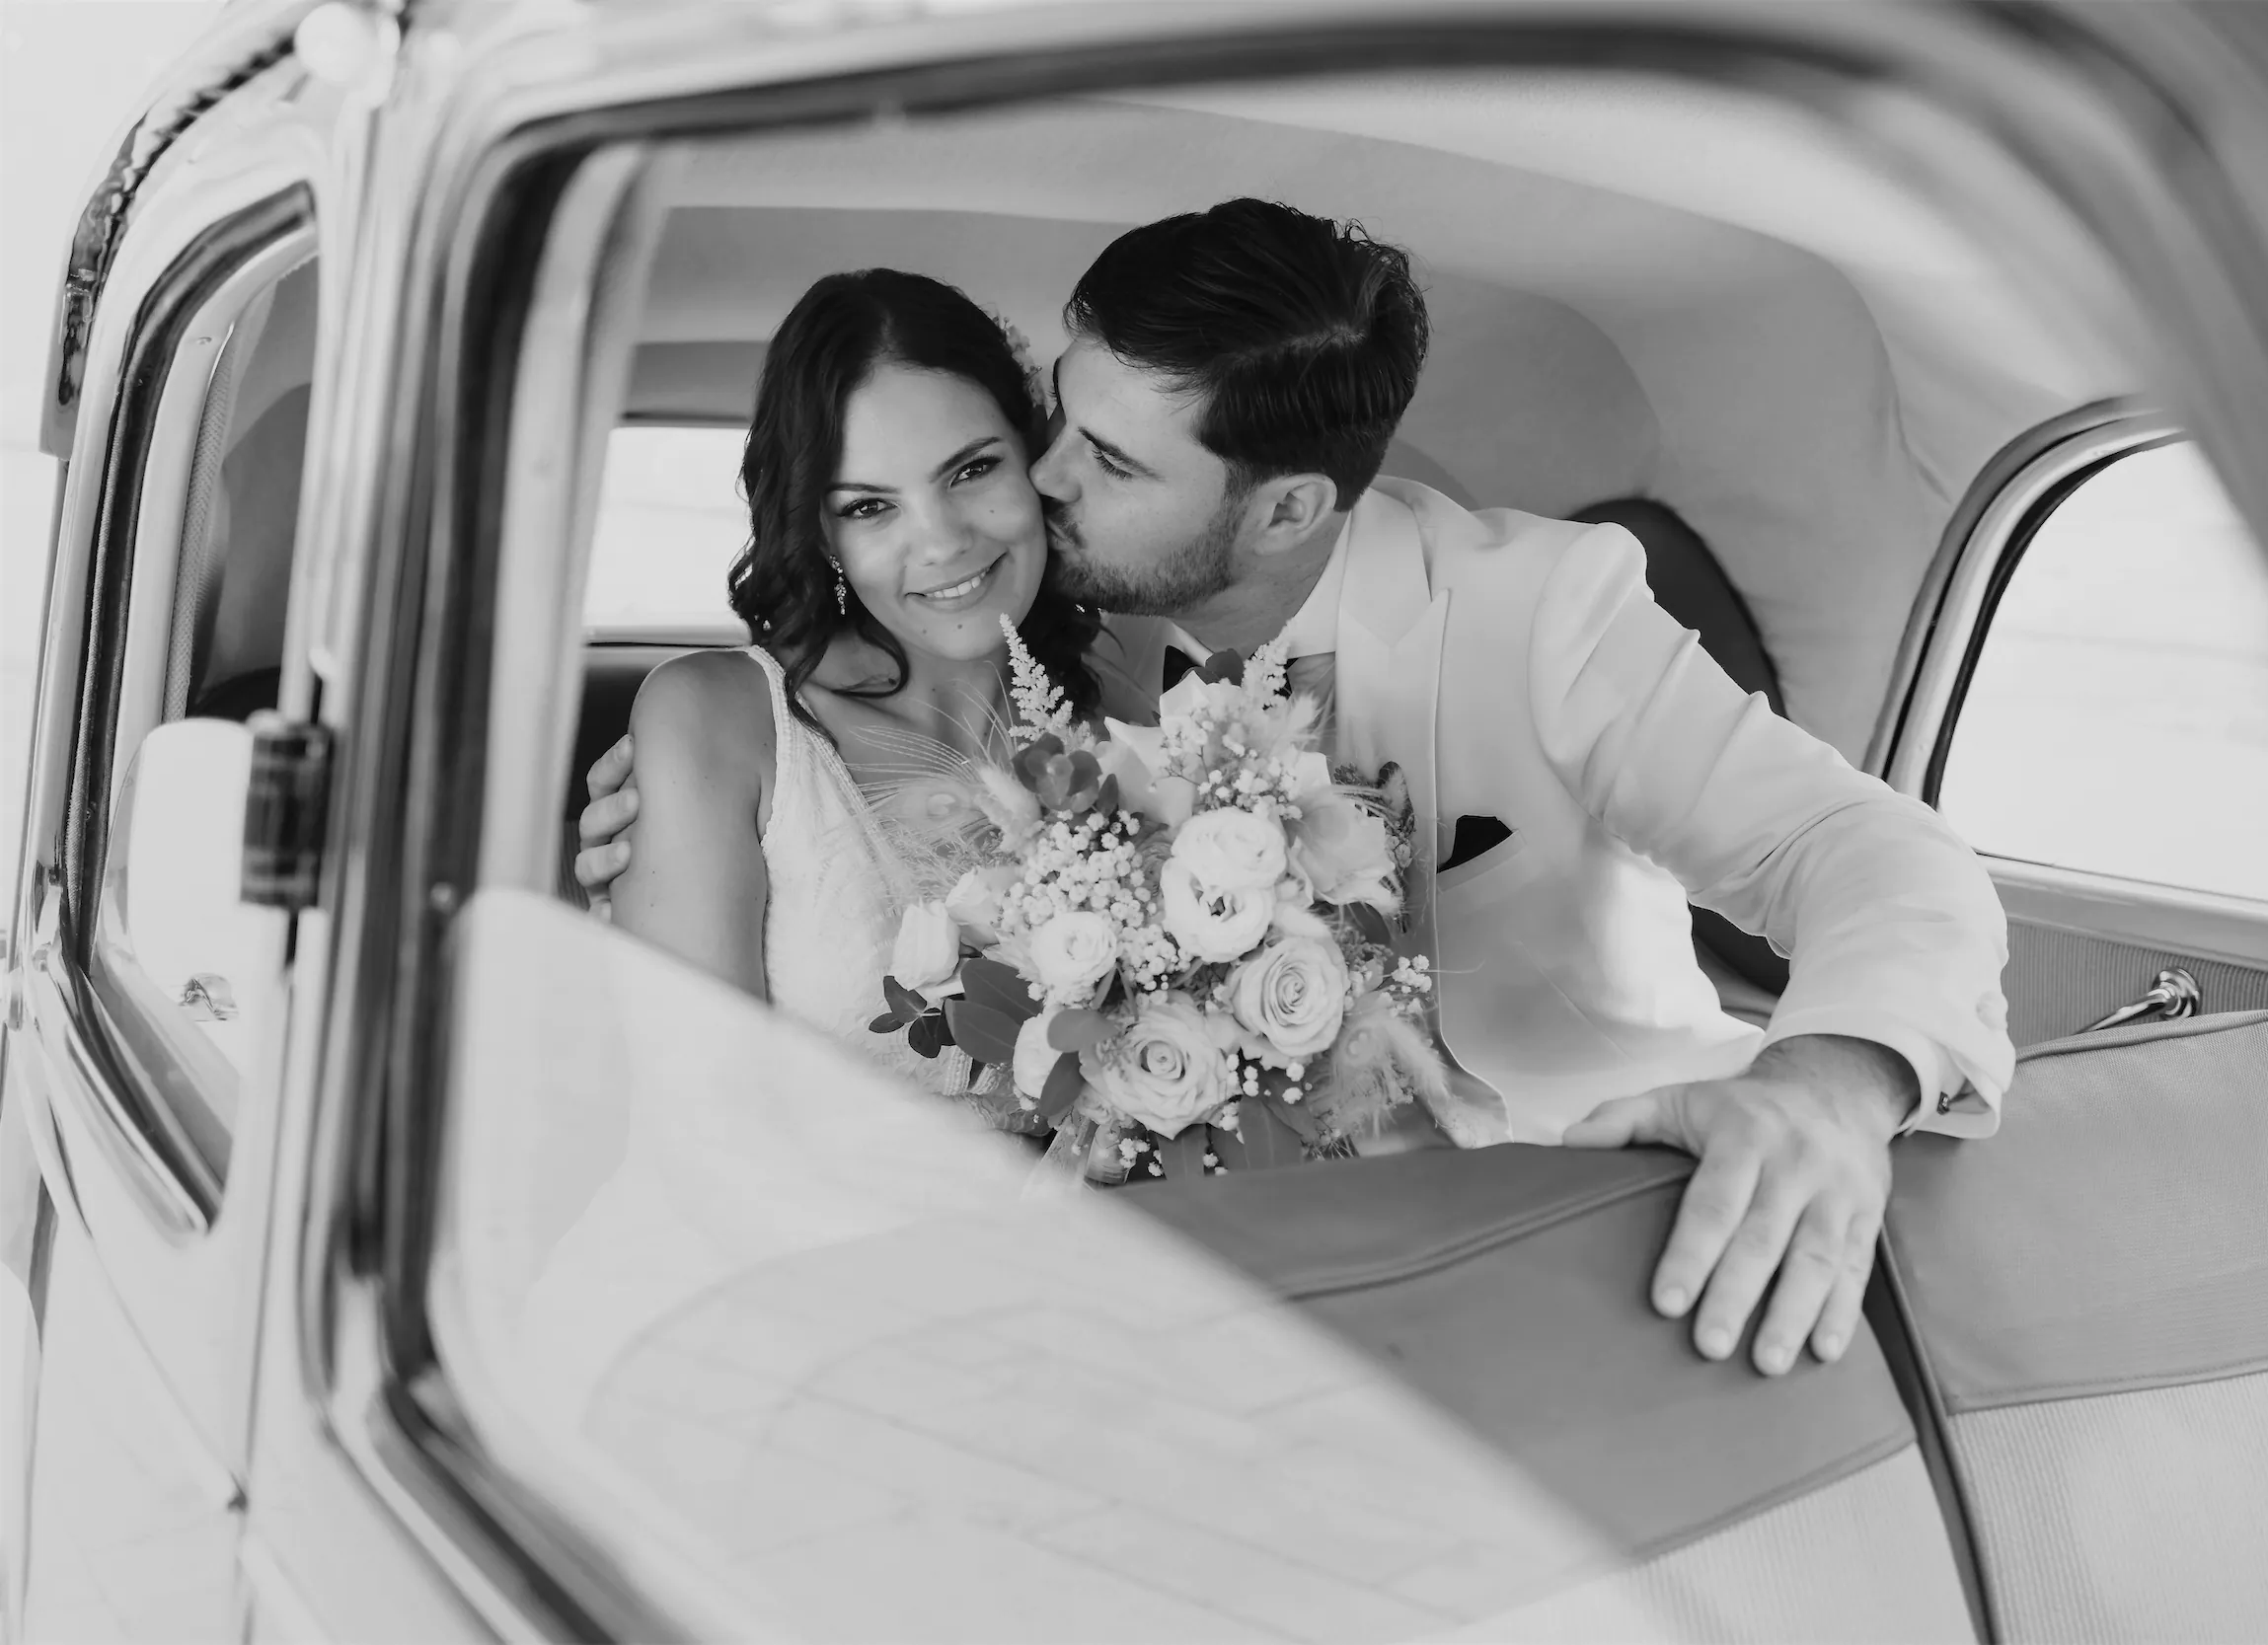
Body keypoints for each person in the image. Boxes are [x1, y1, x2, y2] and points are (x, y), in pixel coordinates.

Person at [578, 199, 2015, 1379]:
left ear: (1280, 509)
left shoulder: (1543, 608)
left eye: (1092, 462)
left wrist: (1830, 1084)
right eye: (1053, 425)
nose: (1042, 487)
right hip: (1152, 1319)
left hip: (1589, 1246)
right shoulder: (1061, 650)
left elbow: (1862, 844)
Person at [604, 265, 1101, 1098]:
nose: (941, 542)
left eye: (972, 470)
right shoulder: (716, 720)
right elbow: (698, 1134)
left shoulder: (1110, 725)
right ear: (823, 533)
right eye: (871, 507)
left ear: (1034, 459)